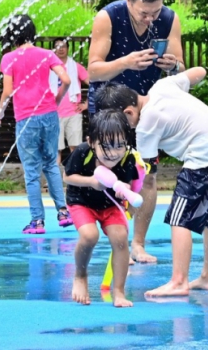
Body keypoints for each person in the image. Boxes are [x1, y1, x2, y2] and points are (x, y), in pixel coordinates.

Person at [94, 68, 208, 297]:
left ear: (129, 112)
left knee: (179, 218)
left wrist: (127, 197)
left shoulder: (145, 126)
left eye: (121, 125)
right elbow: (200, 71)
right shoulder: (163, 86)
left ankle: (179, 281)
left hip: (203, 155)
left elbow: (146, 175)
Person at [87, 0, 185, 264]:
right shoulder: (108, 17)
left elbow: (180, 67)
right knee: (110, 176)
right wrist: (126, 62)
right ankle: (112, 240)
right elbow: (93, 70)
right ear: (129, 1)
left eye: (155, 12)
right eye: (144, 13)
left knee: (149, 177)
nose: (150, 19)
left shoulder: (169, 19)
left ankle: (138, 244)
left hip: (147, 108)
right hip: (110, 106)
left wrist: (173, 65)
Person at [0, 14, 74, 234]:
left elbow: (8, 91)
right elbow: (66, 80)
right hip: (49, 114)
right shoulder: (46, 54)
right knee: (51, 164)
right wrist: (56, 99)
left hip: (26, 118)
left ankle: (37, 222)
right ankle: (63, 213)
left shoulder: (9, 58)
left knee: (31, 170)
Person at [64, 110, 140, 308]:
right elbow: (68, 177)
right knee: (90, 235)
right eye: (106, 146)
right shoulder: (82, 152)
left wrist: (124, 191)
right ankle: (80, 276)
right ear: (91, 142)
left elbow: (128, 184)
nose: (113, 153)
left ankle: (119, 292)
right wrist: (91, 182)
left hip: (109, 205)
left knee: (120, 238)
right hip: (82, 200)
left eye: (119, 146)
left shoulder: (127, 158)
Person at [50, 39, 89, 165]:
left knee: (75, 149)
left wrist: (87, 104)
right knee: (55, 150)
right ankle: (53, 182)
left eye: (63, 46)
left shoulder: (76, 67)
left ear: (68, 49)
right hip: (54, 114)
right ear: (53, 49)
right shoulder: (49, 68)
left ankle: (75, 181)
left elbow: (93, 84)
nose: (60, 49)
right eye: (57, 46)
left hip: (73, 113)